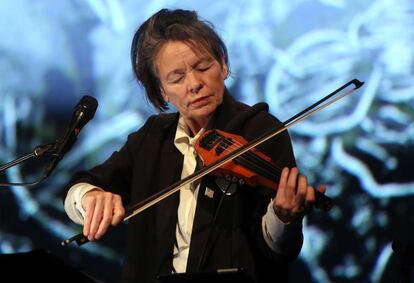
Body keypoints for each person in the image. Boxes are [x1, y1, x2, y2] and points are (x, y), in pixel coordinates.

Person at [64, 8, 326, 283]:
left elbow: (278, 251)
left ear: (222, 65)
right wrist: (89, 197)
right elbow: (77, 190)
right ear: (162, 90)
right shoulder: (153, 137)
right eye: (176, 78)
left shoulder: (261, 131)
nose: (194, 84)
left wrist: (283, 217)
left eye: (203, 67)